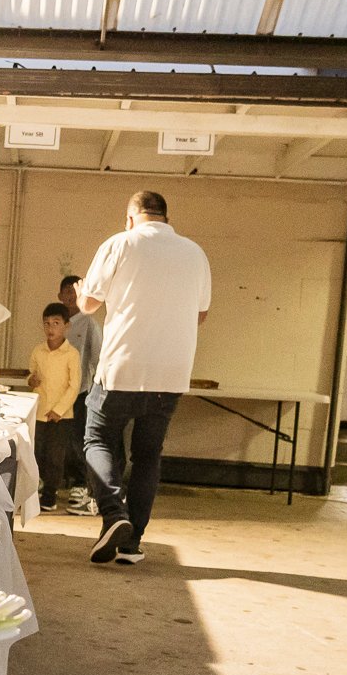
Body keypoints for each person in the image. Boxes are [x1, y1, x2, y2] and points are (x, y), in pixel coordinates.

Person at [74, 190, 211, 566]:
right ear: (165, 217)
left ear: (131, 217)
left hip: (122, 367)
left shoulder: (120, 243)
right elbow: (200, 314)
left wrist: (82, 291)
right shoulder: (195, 253)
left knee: (97, 439)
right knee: (148, 455)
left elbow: (88, 306)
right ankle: (132, 545)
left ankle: (114, 513)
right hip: (171, 374)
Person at [28, 302, 81, 513]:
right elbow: (31, 374)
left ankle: (50, 495)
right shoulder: (38, 350)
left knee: (55, 457)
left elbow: (74, 386)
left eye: (56, 323)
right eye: (47, 324)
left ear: (66, 326)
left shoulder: (72, 354)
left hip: (61, 415)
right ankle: (36, 490)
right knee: (36, 452)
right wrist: (31, 379)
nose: (51, 328)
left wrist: (58, 410)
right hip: (39, 411)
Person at [58, 273, 100, 513]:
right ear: (60, 295)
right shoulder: (57, 320)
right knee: (57, 439)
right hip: (55, 391)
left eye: (75, 292)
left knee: (78, 439)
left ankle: (82, 485)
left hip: (81, 390)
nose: (71, 297)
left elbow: (97, 357)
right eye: (67, 292)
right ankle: (54, 483)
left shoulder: (89, 322)